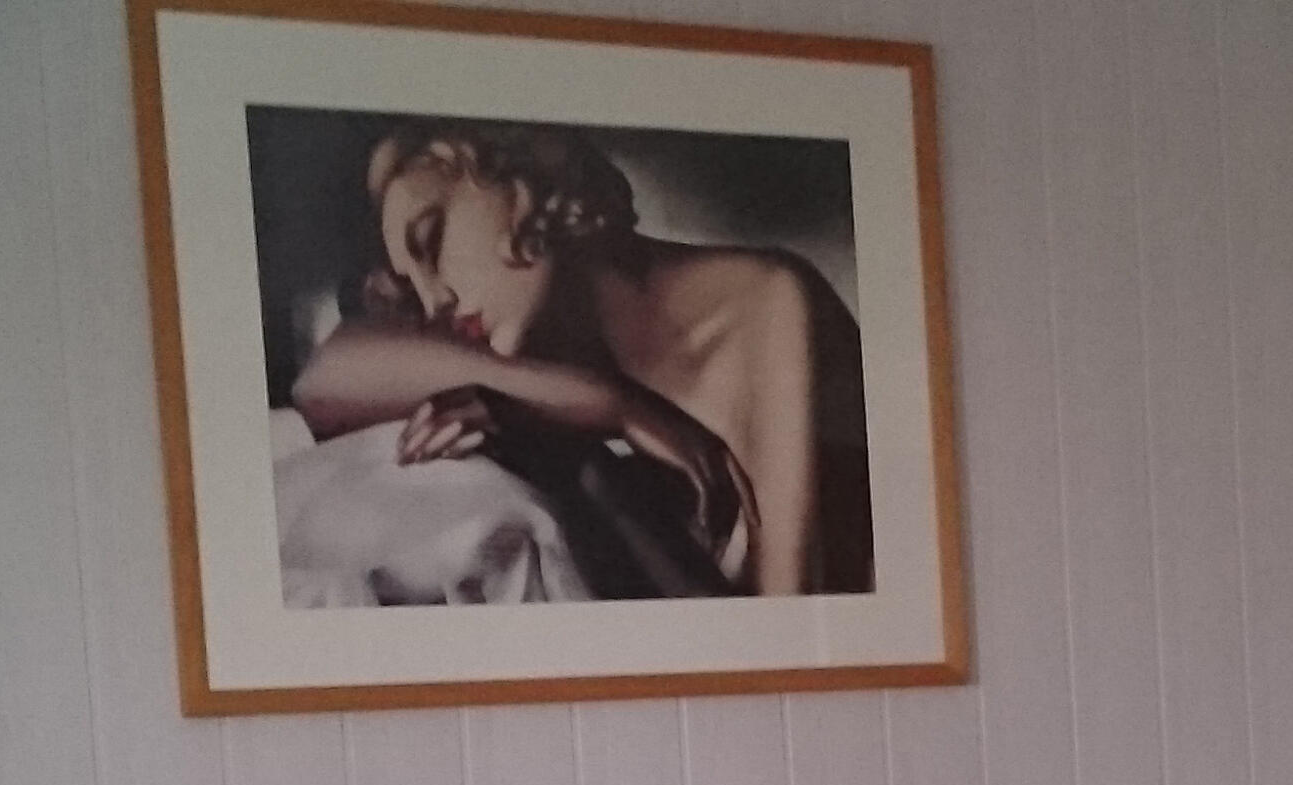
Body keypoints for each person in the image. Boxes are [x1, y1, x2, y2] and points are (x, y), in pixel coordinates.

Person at [288, 119, 873, 598]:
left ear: (516, 176)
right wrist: (609, 406)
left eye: (432, 240)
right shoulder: (542, 368)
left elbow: (792, 639)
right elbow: (321, 381)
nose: (434, 299)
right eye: (412, 286)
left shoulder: (765, 303)